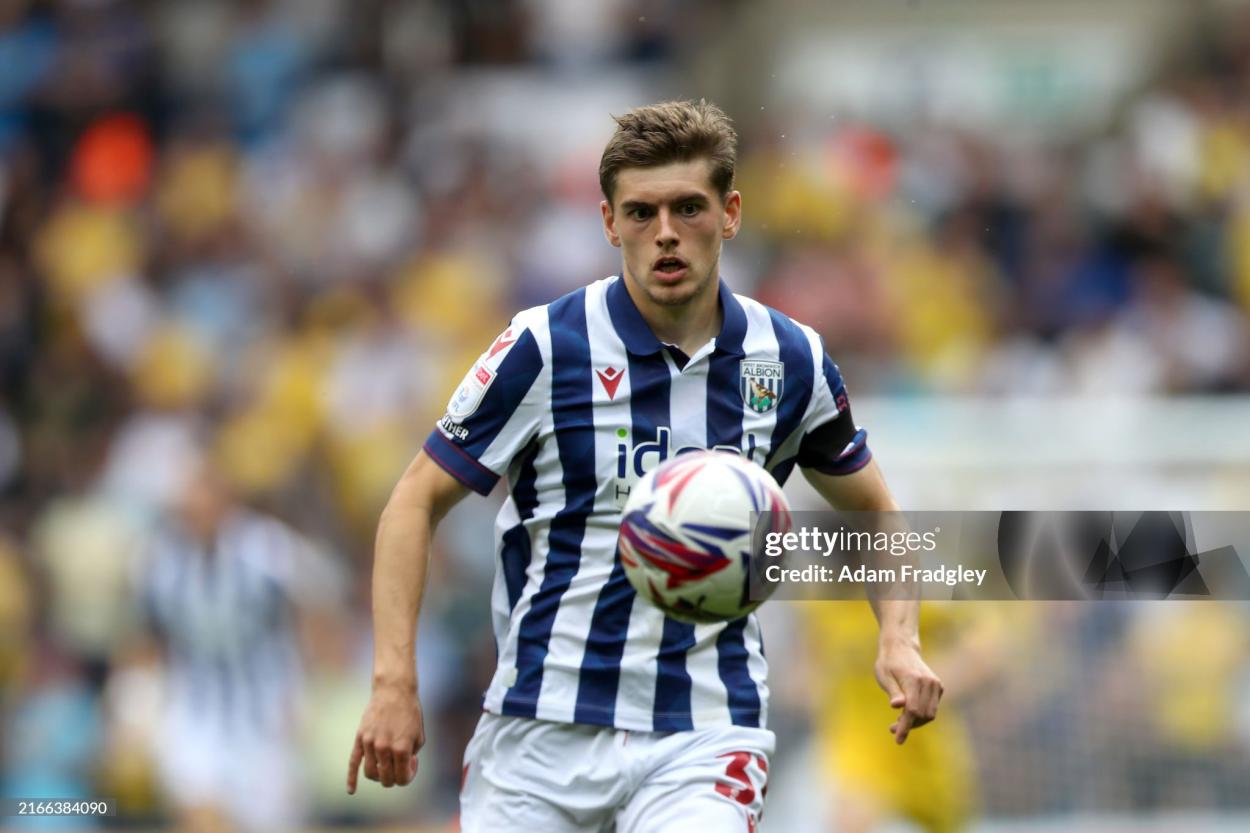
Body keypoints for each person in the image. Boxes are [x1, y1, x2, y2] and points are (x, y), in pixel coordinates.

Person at [347, 99, 943, 831]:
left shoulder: (790, 358)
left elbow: (876, 510)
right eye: (641, 213)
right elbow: (414, 501)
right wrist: (392, 681)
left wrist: (900, 637)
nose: (665, 234)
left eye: (688, 208)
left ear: (730, 213)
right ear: (608, 222)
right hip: (540, 731)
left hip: (703, 731)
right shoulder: (544, 347)